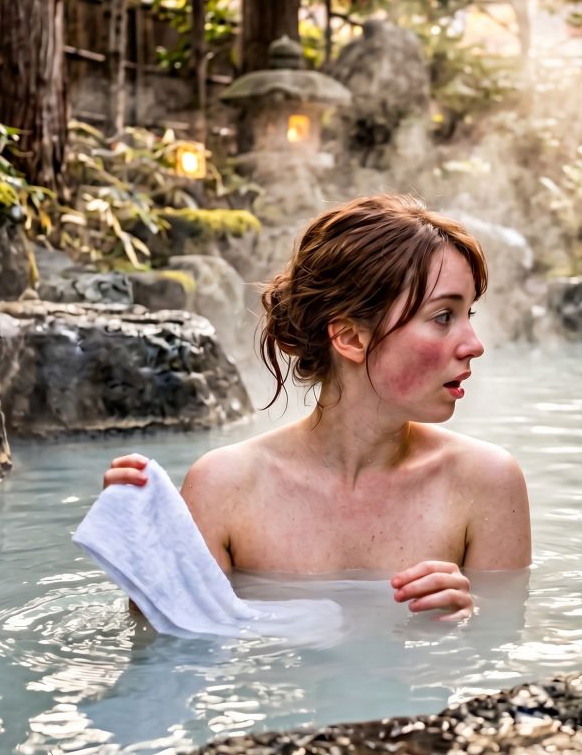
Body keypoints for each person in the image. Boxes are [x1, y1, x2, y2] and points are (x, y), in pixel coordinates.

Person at [103, 194, 532, 621]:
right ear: (350, 338)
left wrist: (469, 618)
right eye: (443, 317)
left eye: (468, 314)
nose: (474, 344)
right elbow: (168, 655)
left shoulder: (486, 483)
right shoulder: (225, 488)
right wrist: (145, 552)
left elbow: (506, 645)